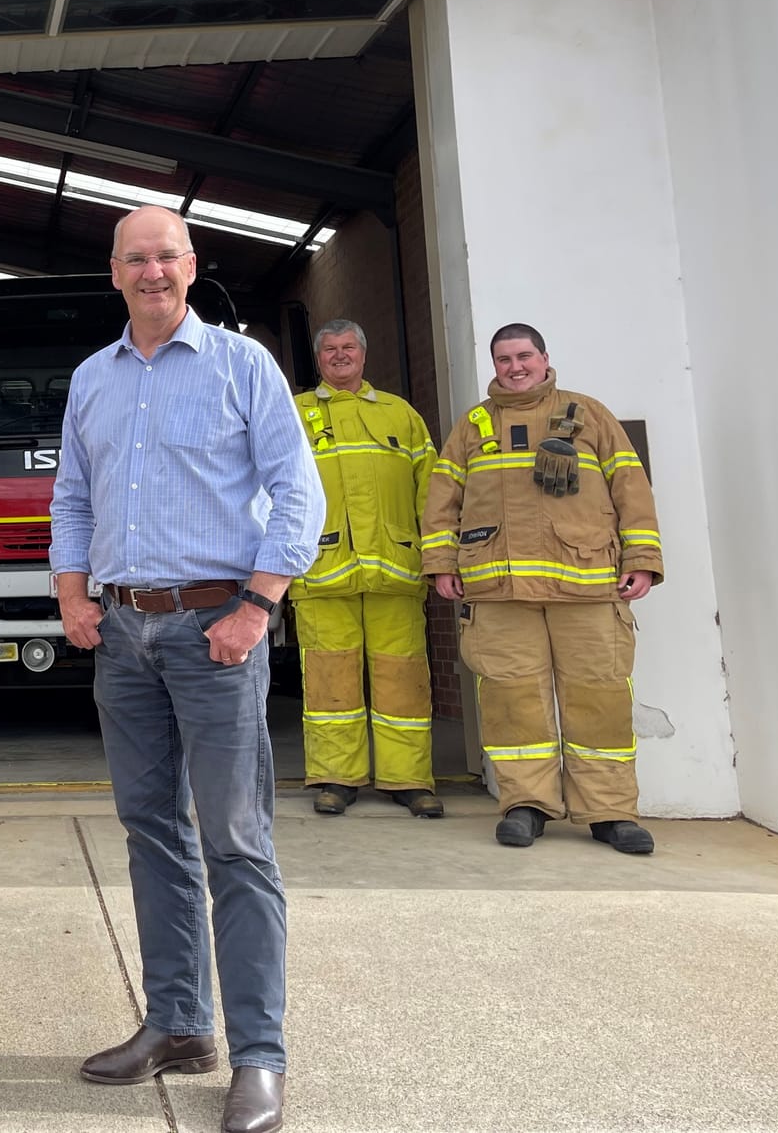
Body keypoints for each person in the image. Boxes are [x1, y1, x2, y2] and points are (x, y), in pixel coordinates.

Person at [51, 205, 321, 1133]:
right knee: (150, 832)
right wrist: (73, 596)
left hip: (217, 631)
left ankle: (258, 1058)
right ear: (115, 271)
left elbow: (298, 490)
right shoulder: (93, 378)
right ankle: (176, 1025)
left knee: (237, 842)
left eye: (167, 255)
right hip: (122, 635)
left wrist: (258, 606)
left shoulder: (245, 367)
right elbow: (72, 495)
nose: (153, 271)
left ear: (192, 265)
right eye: (137, 258)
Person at [421, 324, 662, 854]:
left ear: (544, 357)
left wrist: (643, 559)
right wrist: (440, 562)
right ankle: (525, 805)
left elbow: (631, 488)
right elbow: (442, 502)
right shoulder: (473, 426)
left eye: (524, 355)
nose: (515, 367)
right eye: (504, 358)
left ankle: (609, 812)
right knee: (512, 702)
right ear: (495, 364)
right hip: (500, 591)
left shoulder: (589, 415)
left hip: (588, 587)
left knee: (599, 698)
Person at [289, 320, 442, 818]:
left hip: (396, 573)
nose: (339, 355)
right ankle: (337, 779)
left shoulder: (402, 415)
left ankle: (410, 780)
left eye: (348, 347)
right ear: (318, 358)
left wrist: (439, 557)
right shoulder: (294, 414)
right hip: (321, 575)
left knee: (403, 682)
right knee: (332, 684)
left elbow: (433, 494)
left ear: (364, 353)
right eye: (329, 349)